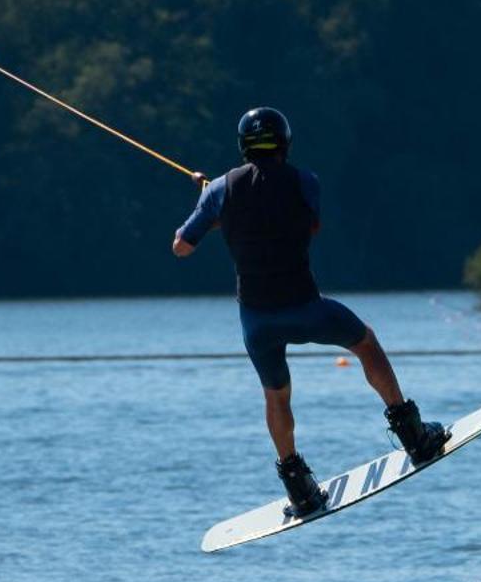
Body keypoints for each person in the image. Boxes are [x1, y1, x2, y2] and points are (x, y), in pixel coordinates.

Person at [173, 107, 449, 516]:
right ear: (284, 143)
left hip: (258, 320)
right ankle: (413, 435)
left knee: (277, 395)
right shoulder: (306, 182)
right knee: (365, 343)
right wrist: (225, 206)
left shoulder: (220, 192)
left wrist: (210, 204)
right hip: (306, 307)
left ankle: (298, 488)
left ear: (242, 146)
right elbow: (308, 227)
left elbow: (181, 246)